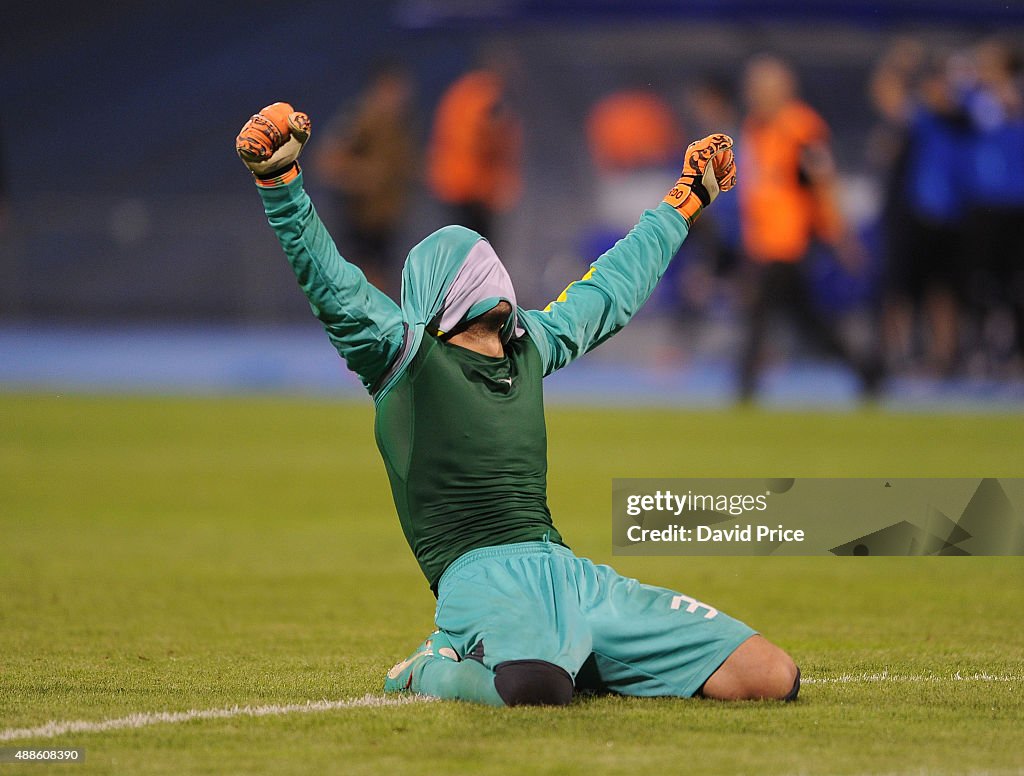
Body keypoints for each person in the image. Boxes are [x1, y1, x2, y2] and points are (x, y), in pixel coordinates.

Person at [235, 103, 798, 706]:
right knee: (534, 692)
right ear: (433, 296)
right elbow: (331, 284)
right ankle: (426, 668)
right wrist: (281, 184)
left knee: (771, 676)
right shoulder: (404, 358)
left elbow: (612, 288)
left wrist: (684, 201)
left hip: (569, 574)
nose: (485, 260)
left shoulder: (531, 343)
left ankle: (582, 656)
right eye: (468, 260)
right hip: (480, 579)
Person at [737, 56, 880, 400]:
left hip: (788, 239)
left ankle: (744, 386)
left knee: (759, 312)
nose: (754, 94)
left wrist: (840, 235)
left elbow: (822, 183)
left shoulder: (800, 128)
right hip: (763, 239)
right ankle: (866, 368)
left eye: (762, 87)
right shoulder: (756, 128)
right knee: (806, 320)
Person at [313, 63, 417, 298]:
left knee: (384, 276)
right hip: (360, 215)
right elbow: (327, 162)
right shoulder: (359, 118)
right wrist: (362, 176)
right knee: (364, 276)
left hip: (386, 215)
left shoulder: (402, 125)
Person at [426, 68, 522, 243]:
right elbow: (485, 137)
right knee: (476, 248)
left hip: (453, 183)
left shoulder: (461, 93)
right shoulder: (487, 97)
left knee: (460, 246)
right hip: (473, 187)